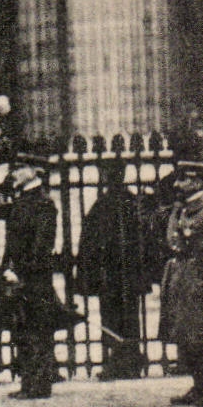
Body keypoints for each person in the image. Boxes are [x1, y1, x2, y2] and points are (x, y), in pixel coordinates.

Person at [0, 160, 61, 399]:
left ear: (29, 174)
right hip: (20, 277)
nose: (12, 176)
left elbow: (41, 248)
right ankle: (29, 383)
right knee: (23, 330)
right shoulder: (22, 202)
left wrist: (20, 271)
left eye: (16, 171)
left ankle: (39, 385)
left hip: (34, 279)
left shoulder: (43, 204)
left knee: (36, 331)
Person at [73, 161, 148, 380]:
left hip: (112, 274)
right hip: (126, 273)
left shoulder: (107, 203)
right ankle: (130, 359)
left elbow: (93, 241)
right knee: (128, 317)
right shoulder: (130, 201)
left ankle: (122, 361)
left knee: (114, 317)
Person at [159, 160, 203, 407]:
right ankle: (198, 387)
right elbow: (172, 239)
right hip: (184, 279)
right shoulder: (183, 209)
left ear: (196, 181)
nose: (178, 184)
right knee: (188, 336)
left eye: (183, 179)